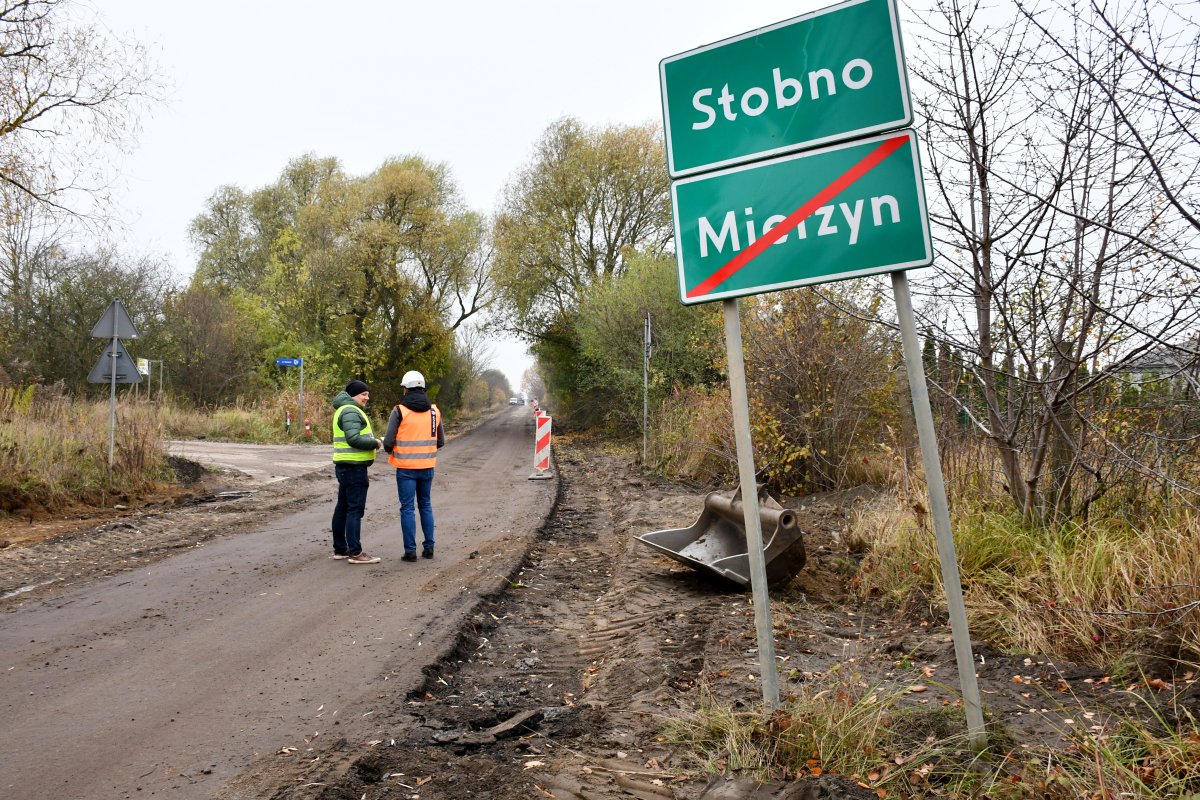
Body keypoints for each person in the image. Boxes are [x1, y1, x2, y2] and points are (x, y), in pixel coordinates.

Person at [383, 370, 444, 562]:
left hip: (406, 469)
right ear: (423, 388)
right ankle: (429, 548)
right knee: (425, 505)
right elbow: (440, 441)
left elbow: (388, 442)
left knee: (407, 508)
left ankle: (410, 551)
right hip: (427, 467)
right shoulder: (434, 411)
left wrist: (391, 448)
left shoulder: (399, 411)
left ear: (405, 390)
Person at [331, 379, 383, 565]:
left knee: (343, 507)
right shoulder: (351, 410)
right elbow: (353, 438)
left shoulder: (344, 409)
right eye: (363, 394)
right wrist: (375, 443)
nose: (367, 398)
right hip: (354, 467)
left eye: (368, 394)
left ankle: (341, 549)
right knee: (354, 509)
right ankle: (355, 552)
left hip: (346, 466)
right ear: (353, 395)